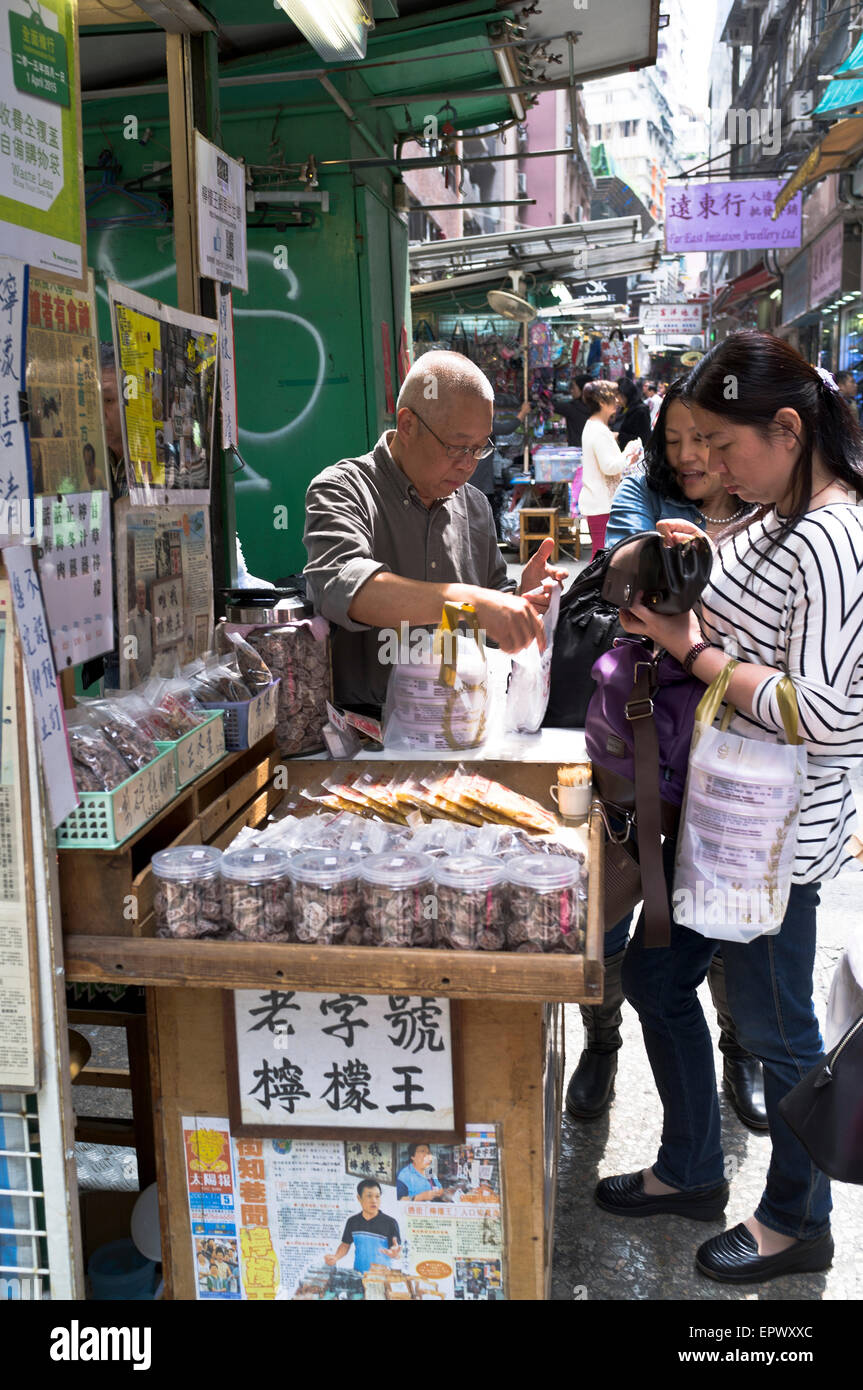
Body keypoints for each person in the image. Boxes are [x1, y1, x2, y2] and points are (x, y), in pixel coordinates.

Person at [597, 333, 863, 1284]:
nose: (706, 463)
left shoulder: (833, 534)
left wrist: (691, 650)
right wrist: (686, 556)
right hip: (725, 823)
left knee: (775, 1027)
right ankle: (691, 1171)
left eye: (722, 443)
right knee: (659, 983)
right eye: (692, 445)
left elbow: (827, 714)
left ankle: (798, 1222)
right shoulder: (772, 514)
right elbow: (732, 590)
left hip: (774, 845)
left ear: (787, 429)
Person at [567, 381, 766, 1131]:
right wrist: (658, 551)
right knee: (617, 887)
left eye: (702, 438)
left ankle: (737, 1051)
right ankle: (600, 1040)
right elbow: (613, 567)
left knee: (715, 910)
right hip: (638, 728)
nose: (687, 454)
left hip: (729, 736)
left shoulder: (766, 506)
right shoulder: (645, 492)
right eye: (672, 438)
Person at [303, 351, 567, 711]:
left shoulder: (473, 504)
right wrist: (470, 602)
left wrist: (521, 601)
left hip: (460, 725)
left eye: (480, 448)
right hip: (371, 737)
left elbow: (489, 616)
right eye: (457, 446)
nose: (469, 464)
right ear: (408, 425)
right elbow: (344, 589)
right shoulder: (343, 489)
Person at [579, 380, 629, 558]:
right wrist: (629, 452)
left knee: (602, 554)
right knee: (601, 555)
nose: (617, 401)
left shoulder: (593, 427)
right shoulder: (598, 430)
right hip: (601, 502)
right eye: (612, 397)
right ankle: (592, 586)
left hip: (599, 501)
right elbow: (609, 467)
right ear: (601, 402)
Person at [325, 1179, 402, 1273]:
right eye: (369, 1196)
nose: (374, 1201)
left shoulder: (390, 1223)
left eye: (377, 1196)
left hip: (383, 1277)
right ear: (359, 1198)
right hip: (358, 1275)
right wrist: (336, 1257)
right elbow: (345, 1245)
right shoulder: (352, 1221)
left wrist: (395, 1254)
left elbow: (396, 1250)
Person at [127, 578, 154, 683]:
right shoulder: (131, 618)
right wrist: (136, 676)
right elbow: (129, 652)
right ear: (135, 596)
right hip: (137, 677)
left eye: (144, 594)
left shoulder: (148, 615)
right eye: (139, 594)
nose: (142, 597)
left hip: (149, 674)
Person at [614, 376, 652, 452]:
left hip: (632, 457)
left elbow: (643, 439)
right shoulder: (624, 408)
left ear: (625, 393)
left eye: (617, 395)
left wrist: (619, 436)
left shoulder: (641, 411)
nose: (616, 399)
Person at [554, 373, 592, 446]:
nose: (571, 391)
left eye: (573, 388)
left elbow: (552, 406)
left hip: (577, 449)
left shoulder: (572, 407)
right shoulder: (597, 406)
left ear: (582, 389)